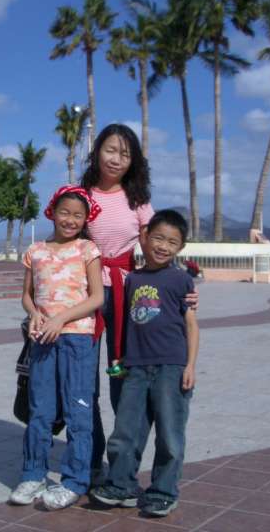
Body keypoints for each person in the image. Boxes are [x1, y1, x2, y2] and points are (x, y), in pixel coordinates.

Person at [80, 123, 198, 483]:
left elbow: (159, 246)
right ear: (97, 151)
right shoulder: (81, 195)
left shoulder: (138, 201)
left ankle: (122, 465)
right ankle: (89, 462)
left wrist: (181, 287)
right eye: (111, 150)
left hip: (126, 294)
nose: (116, 159)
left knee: (122, 381)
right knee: (84, 384)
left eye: (125, 154)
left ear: (134, 162)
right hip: (85, 296)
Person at [91, 209, 199, 517]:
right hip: (135, 369)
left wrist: (190, 365)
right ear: (145, 237)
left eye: (172, 242)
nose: (163, 246)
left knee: (169, 434)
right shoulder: (133, 279)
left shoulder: (181, 280)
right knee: (126, 431)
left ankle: (164, 491)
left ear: (180, 248)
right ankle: (121, 485)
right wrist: (120, 357)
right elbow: (125, 322)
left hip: (171, 367)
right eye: (158, 238)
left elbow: (192, 326)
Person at [8, 185, 105, 510]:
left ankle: (75, 481)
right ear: (52, 211)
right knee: (40, 411)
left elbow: (96, 298)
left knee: (79, 411)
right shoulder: (35, 251)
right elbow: (27, 295)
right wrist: (35, 315)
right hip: (42, 340)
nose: (70, 220)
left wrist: (59, 319)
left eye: (78, 215)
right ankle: (33, 474)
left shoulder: (87, 249)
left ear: (86, 218)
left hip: (78, 339)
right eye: (65, 212)